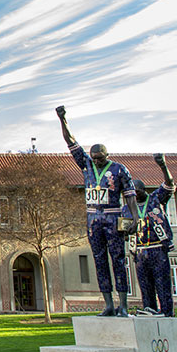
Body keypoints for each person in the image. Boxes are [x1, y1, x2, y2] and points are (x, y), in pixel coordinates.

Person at [57, 106, 139, 317]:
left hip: (113, 216)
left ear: (107, 156)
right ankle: (108, 304)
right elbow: (70, 141)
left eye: (100, 158)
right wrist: (62, 118)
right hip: (93, 218)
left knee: (118, 259)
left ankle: (123, 305)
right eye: (94, 158)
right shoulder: (86, 165)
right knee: (99, 260)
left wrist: (134, 217)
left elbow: (130, 194)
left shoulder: (119, 169)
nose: (97, 161)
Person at [127, 154, 177, 317]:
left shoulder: (155, 199)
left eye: (138, 191)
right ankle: (149, 314)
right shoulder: (127, 208)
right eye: (132, 193)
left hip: (157, 249)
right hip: (140, 252)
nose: (135, 194)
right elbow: (123, 230)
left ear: (144, 190)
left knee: (162, 286)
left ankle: (168, 316)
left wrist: (163, 166)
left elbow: (169, 184)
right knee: (146, 287)